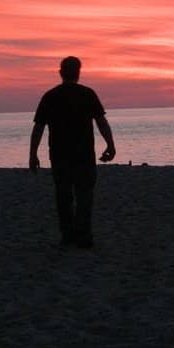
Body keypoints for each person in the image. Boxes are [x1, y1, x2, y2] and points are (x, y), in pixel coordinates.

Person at [29, 56, 116, 249]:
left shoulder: (50, 96)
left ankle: (68, 236)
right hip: (83, 154)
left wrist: (33, 154)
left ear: (61, 73)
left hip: (60, 155)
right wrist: (110, 144)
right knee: (84, 195)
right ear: (78, 73)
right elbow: (101, 122)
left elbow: (38, 128)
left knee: (64, 196)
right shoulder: (87, 94)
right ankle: (83, 236)